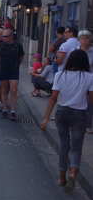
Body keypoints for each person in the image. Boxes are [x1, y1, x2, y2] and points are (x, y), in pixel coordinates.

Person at [40, 50, 93, 191]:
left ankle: (62, 177)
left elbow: (53, 98)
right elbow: (91, 100)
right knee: (76, 147)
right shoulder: (89, 77)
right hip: (80, 114)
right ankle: (73, 172)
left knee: (64, 145)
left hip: (62, 112)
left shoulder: (60, 75)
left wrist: (45, 117)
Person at [0, 28, 25, 121]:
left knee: (13, 89)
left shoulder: (18, 45)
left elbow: (21, 56)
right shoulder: (1, 45)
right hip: (4, 69)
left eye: (5, 36)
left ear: (11, 36)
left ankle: (13, 110)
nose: (3, 38)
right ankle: (5, 108)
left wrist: (17, 65)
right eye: (3, 36)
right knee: (4, 90)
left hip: (14, 70)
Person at [77, 30, 93, 133]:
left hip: (90, 79)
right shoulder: (76, 50)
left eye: (87, 38)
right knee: (78, 101)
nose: (84, 40)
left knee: (89, 102)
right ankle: (76, 122)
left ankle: (88, 124)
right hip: (77, 78)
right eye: (82, 38)